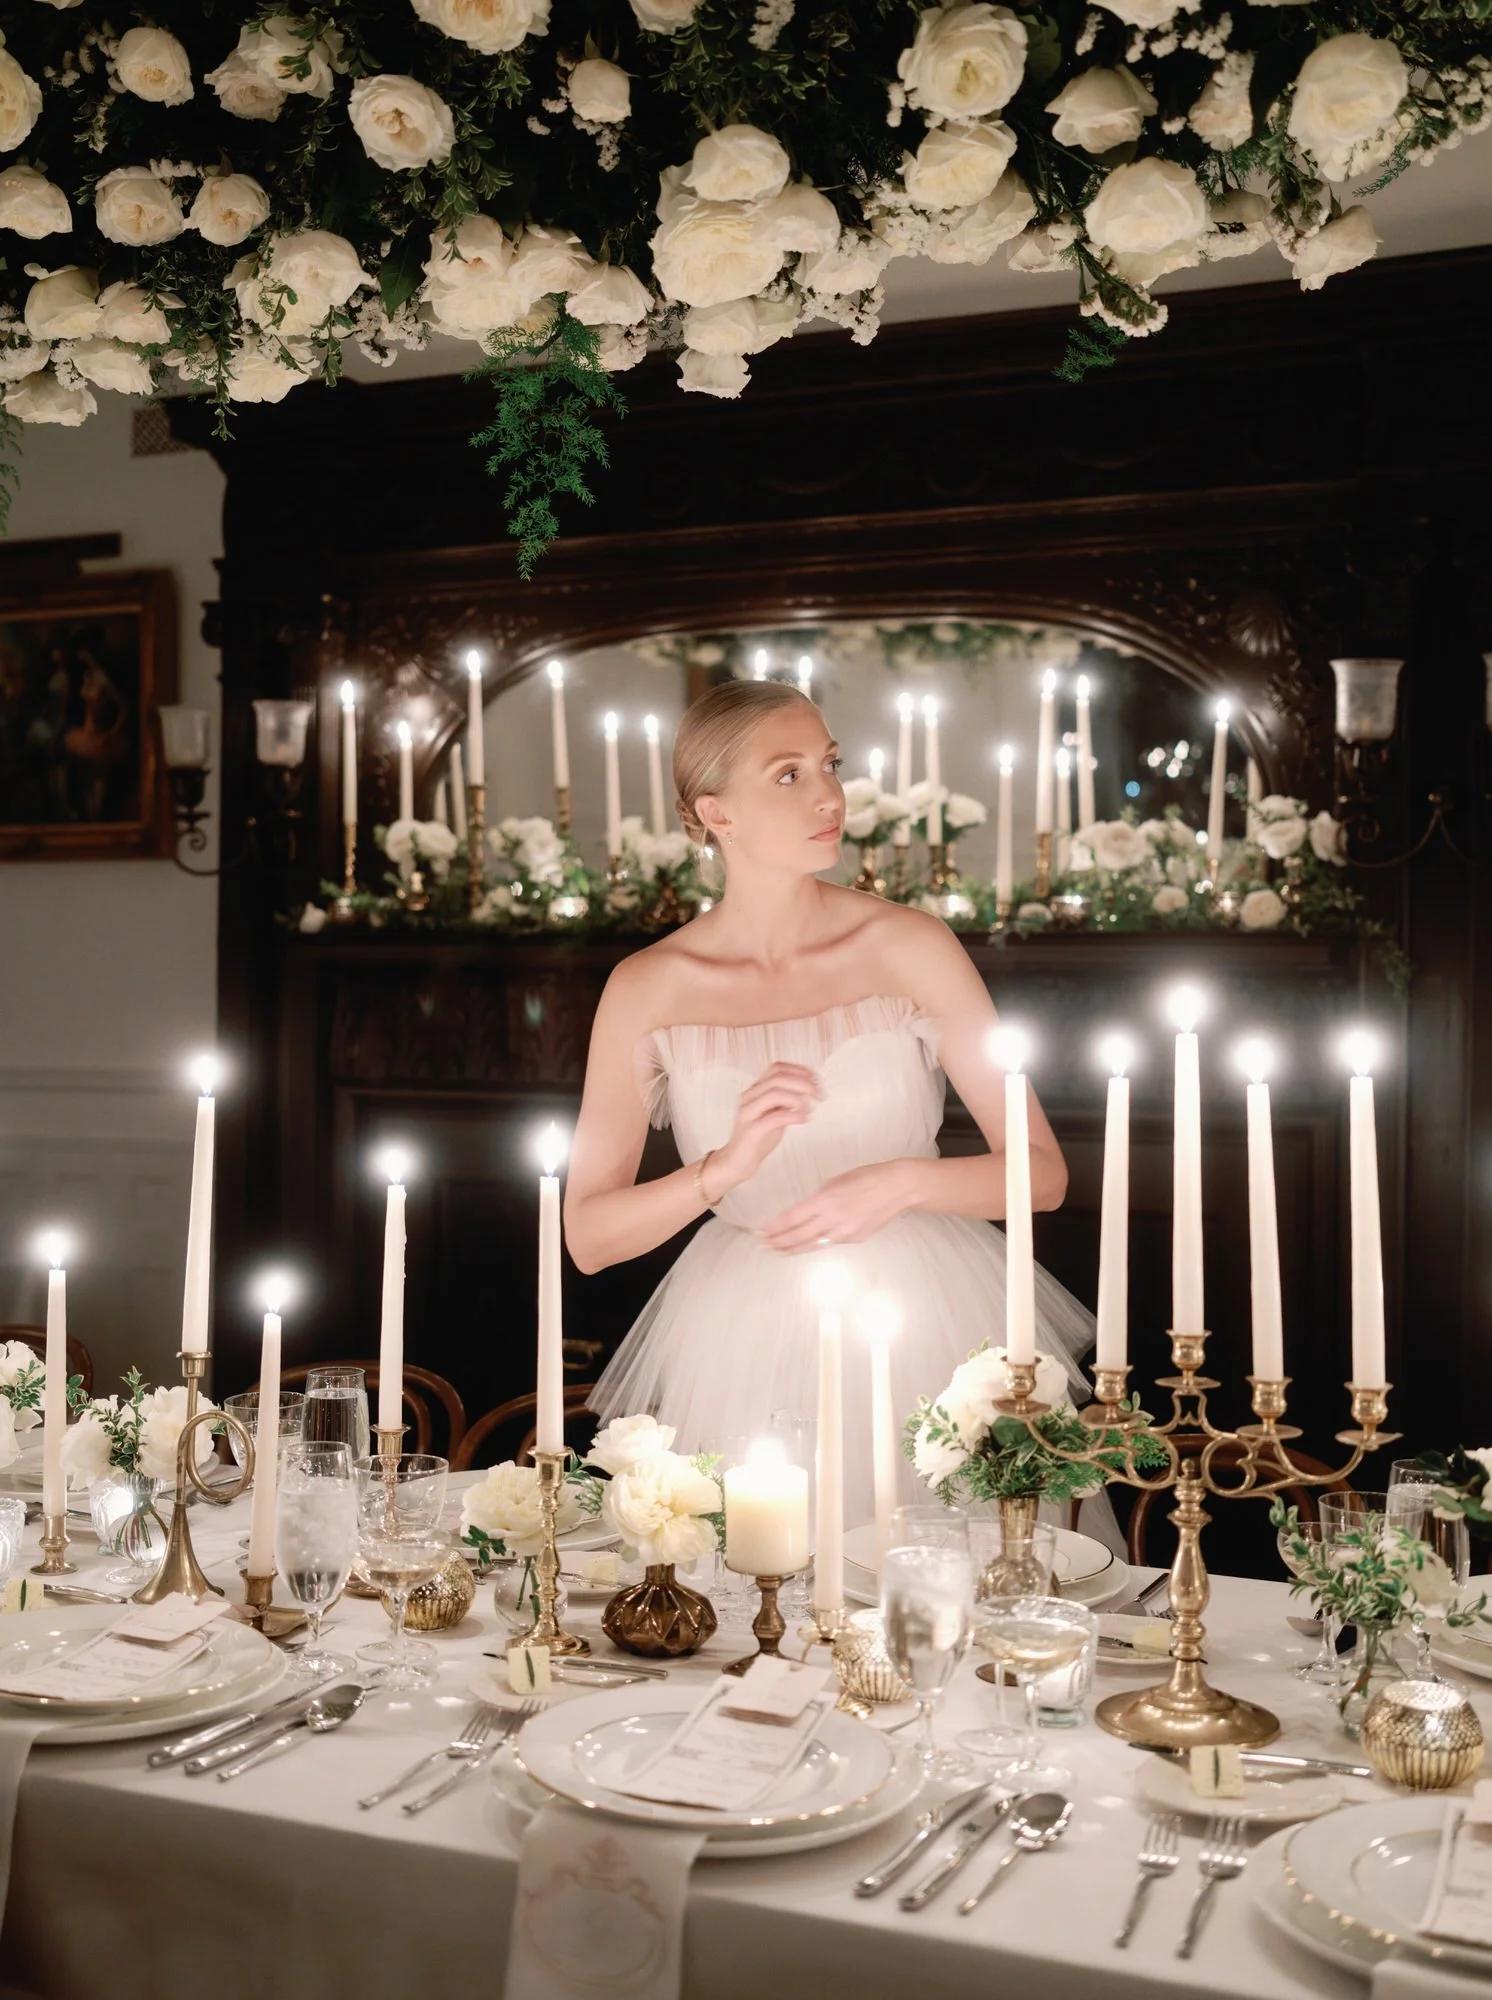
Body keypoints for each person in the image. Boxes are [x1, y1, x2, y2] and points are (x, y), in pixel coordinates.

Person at [564, 677, 1100, 1529]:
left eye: (829, 764)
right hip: (738, 1335)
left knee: (956, 1587)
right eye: (788, 775)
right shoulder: (647, 989)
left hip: (929, 1314)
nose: (827, 795)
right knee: (759, 1599)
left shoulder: (908, 946)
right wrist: (722, 1169)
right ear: (716, 812)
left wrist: (900, 1183)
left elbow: (1041, 1174)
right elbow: (589, 1237)